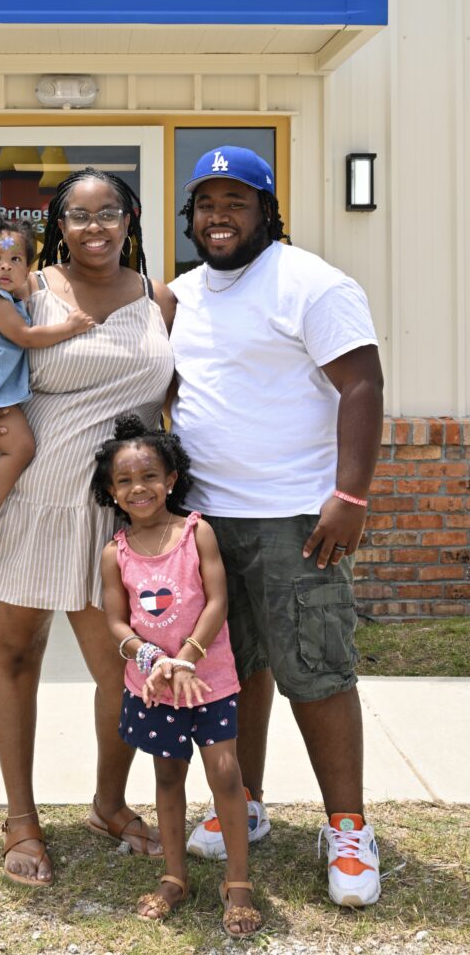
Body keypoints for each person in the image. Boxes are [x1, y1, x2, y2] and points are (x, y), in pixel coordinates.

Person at [0, 168, 175, 886]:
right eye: (78, 215)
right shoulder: (28, 287)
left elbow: (182, 397)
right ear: (59, 225)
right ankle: (20, 819)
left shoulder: (160, 300)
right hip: (23, 501)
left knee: (123, 670)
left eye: (108, 212)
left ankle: (109, 804)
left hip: (107, 515)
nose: (94, 227)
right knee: (15, 654)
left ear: (129, 220)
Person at [169, 145, 385, 909]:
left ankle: (348, 829)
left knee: (316, 671)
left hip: (295, 518)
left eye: (236, 202)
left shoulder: (310, 282)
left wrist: (350, 496)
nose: (219, 216)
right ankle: (246, 802)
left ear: (267, 211)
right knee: (236, 670)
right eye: (206, 203)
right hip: (207, 519)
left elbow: (361, 383)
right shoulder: (181, 295)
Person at [97, 414, 262, 938]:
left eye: (149, 476)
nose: (138, 487)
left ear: (171, 479)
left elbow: (216, 601)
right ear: (111, 491)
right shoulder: (115, 553)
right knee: (168, 775)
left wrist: (187, 656)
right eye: (125, 480)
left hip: (208, 680)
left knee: (226, 774)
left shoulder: (196, 533)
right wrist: (153, 659)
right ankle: (174, 877)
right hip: (153, 687)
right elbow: (116, 622)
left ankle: (238, 883)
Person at [0, 217, 94, 551]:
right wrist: (70, 327)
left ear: (27, 270)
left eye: (15, 259)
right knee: (21, 448)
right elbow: (25, 337)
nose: (5, 266)